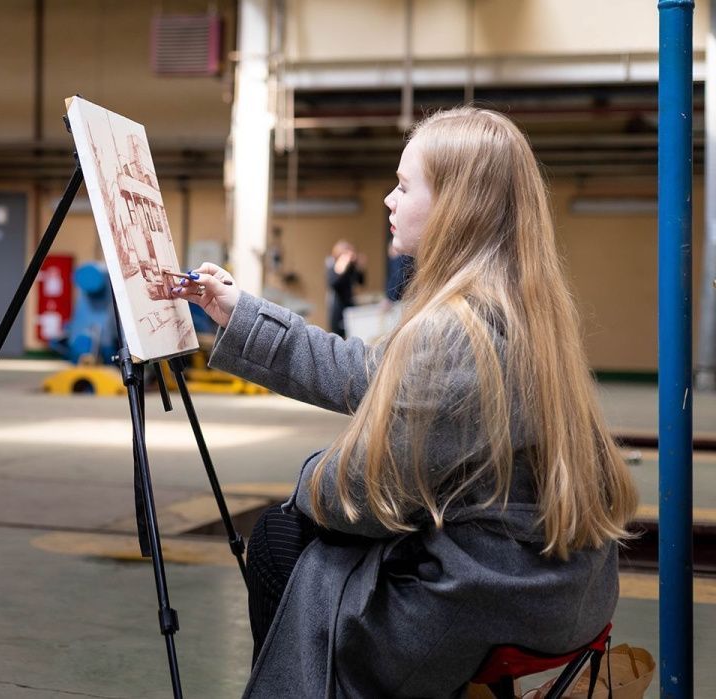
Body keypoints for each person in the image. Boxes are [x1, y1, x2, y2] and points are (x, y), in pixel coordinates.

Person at [170, 106, 637, 697]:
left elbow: (360, 496)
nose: (389, 199)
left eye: (404, 185)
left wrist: (308, 477)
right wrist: (239, 313)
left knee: (279, 540)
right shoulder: (520, 307)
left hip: (486, 598)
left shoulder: (455, 334)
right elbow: (373, 371)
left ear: (455, 206)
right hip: (557, 583)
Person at [326, 240, 364, 338]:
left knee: (353, 334)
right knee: (338, 337)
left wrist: (360, 267)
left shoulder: (350, 267)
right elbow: (333, 284)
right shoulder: (332, 265)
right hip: (337, 307)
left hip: (349, 303)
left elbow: (360, 282)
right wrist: (342, 266)